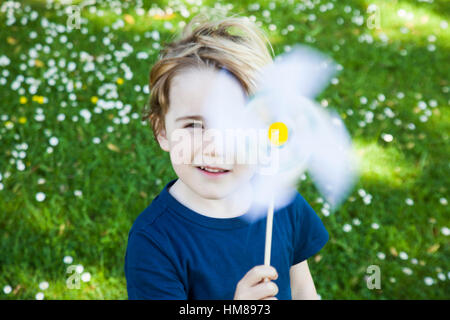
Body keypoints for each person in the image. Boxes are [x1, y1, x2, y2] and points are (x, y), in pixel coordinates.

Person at [124, 13, 329, 300]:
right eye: (194, 125)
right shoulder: (154, 242)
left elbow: (302, 288)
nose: (215, 146)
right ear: (162, 131)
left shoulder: (279, 202)